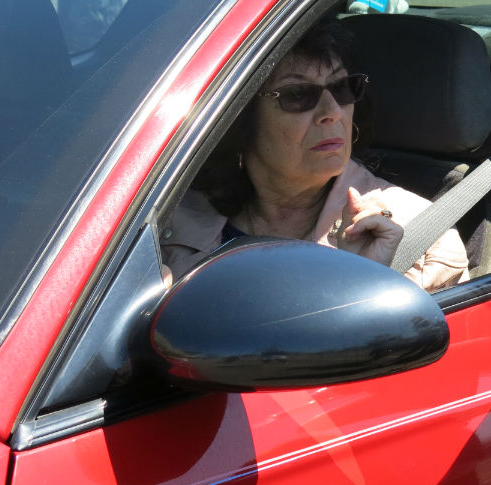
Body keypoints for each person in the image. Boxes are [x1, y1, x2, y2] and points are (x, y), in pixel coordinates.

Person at [161, 21, 468, 292]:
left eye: (343, 88)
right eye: (298, 95)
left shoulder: (421, 239)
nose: (332, 112)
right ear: (239, 119)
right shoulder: (160, 216)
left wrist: (362, 280)